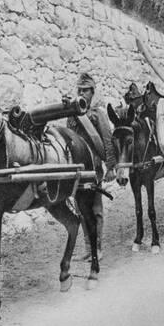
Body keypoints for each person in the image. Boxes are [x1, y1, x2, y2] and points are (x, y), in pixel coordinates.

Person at [67, 73, 117, 261]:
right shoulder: (72, 114)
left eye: (85, 90)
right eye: (79, 90)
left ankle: (98, 249)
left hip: (94, 168)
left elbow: (107, 140)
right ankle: (88, 249)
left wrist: (111, 167)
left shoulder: (97, 114)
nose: (81, 93)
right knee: (81, 210)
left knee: (95, 210)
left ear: (92, 92)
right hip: (77, 169)